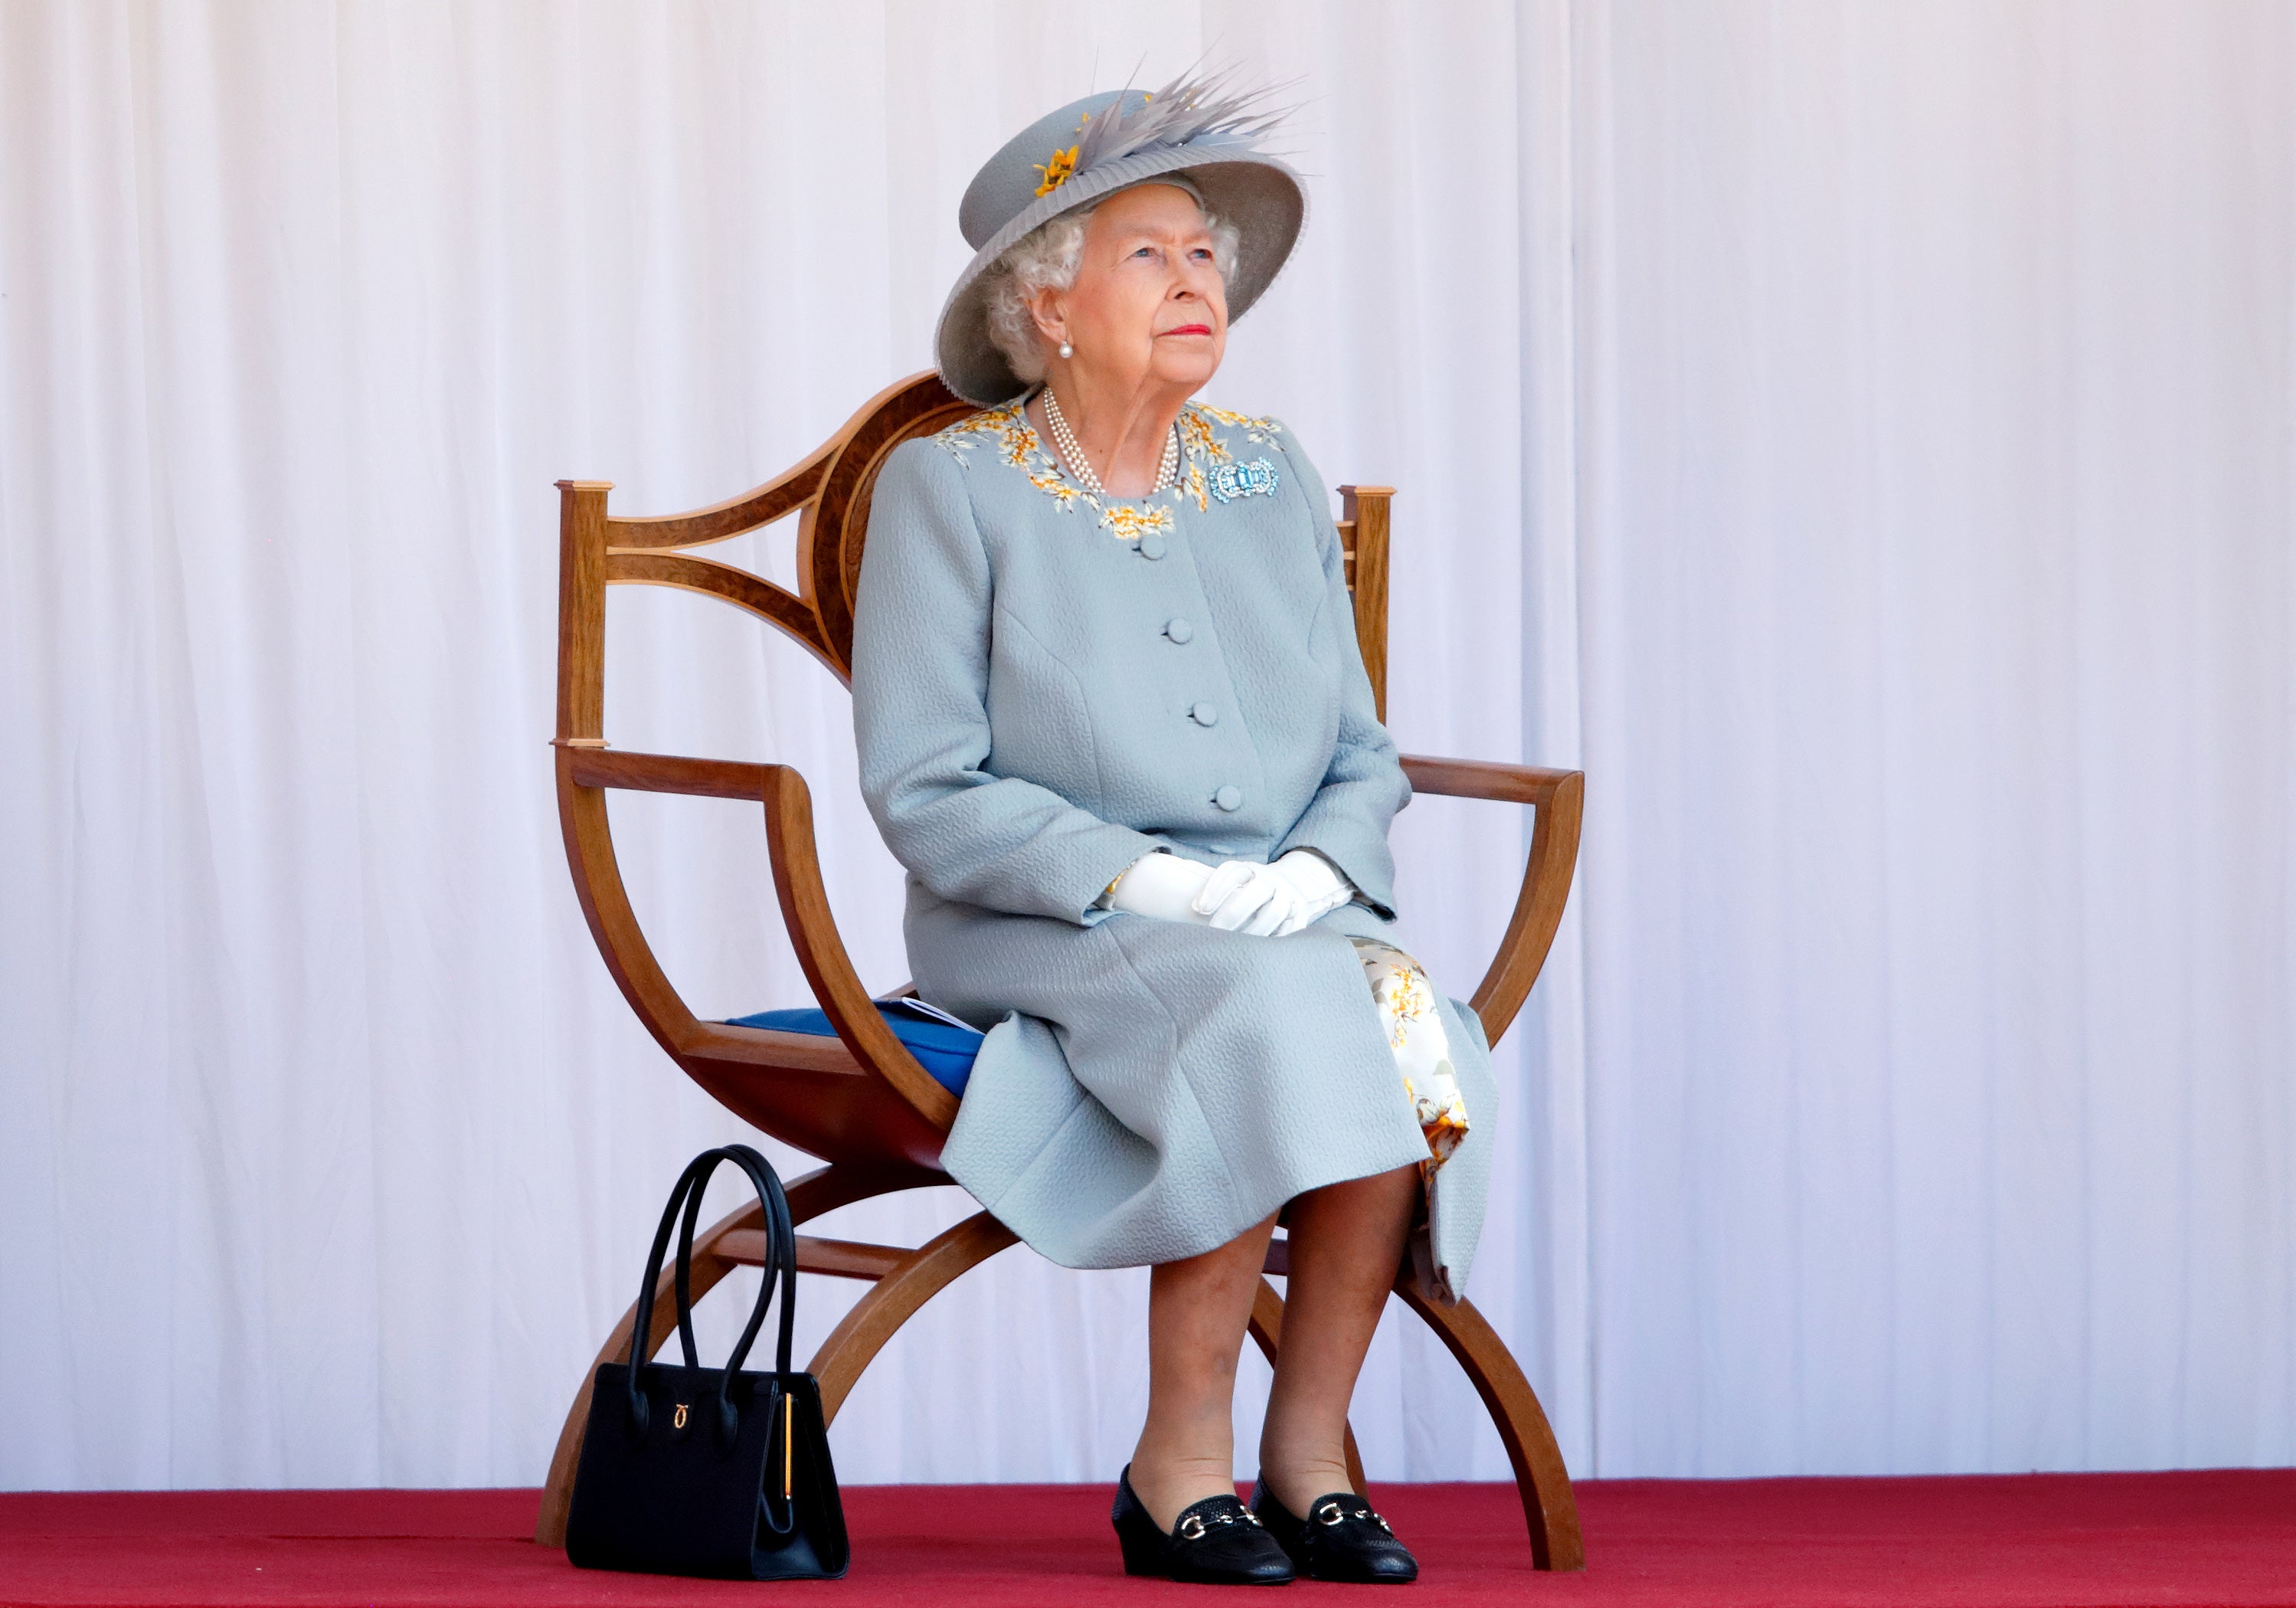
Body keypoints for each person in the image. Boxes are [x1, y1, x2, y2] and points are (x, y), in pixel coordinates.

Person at [851, 71, 1496, 1587]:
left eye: (1203, 252)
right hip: (1044, 926)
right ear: (1048, 305)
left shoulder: (1267, 475)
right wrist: (1136, 877)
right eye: (1146, 253)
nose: (1195, 279)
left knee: (1398, 1011)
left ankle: (1309, 1453)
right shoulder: (943, 492)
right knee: (1277, 1017)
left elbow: (1354, 744)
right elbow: (923, 783)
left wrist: (1320, 870)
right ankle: (1175, 1464)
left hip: (1275, 913)